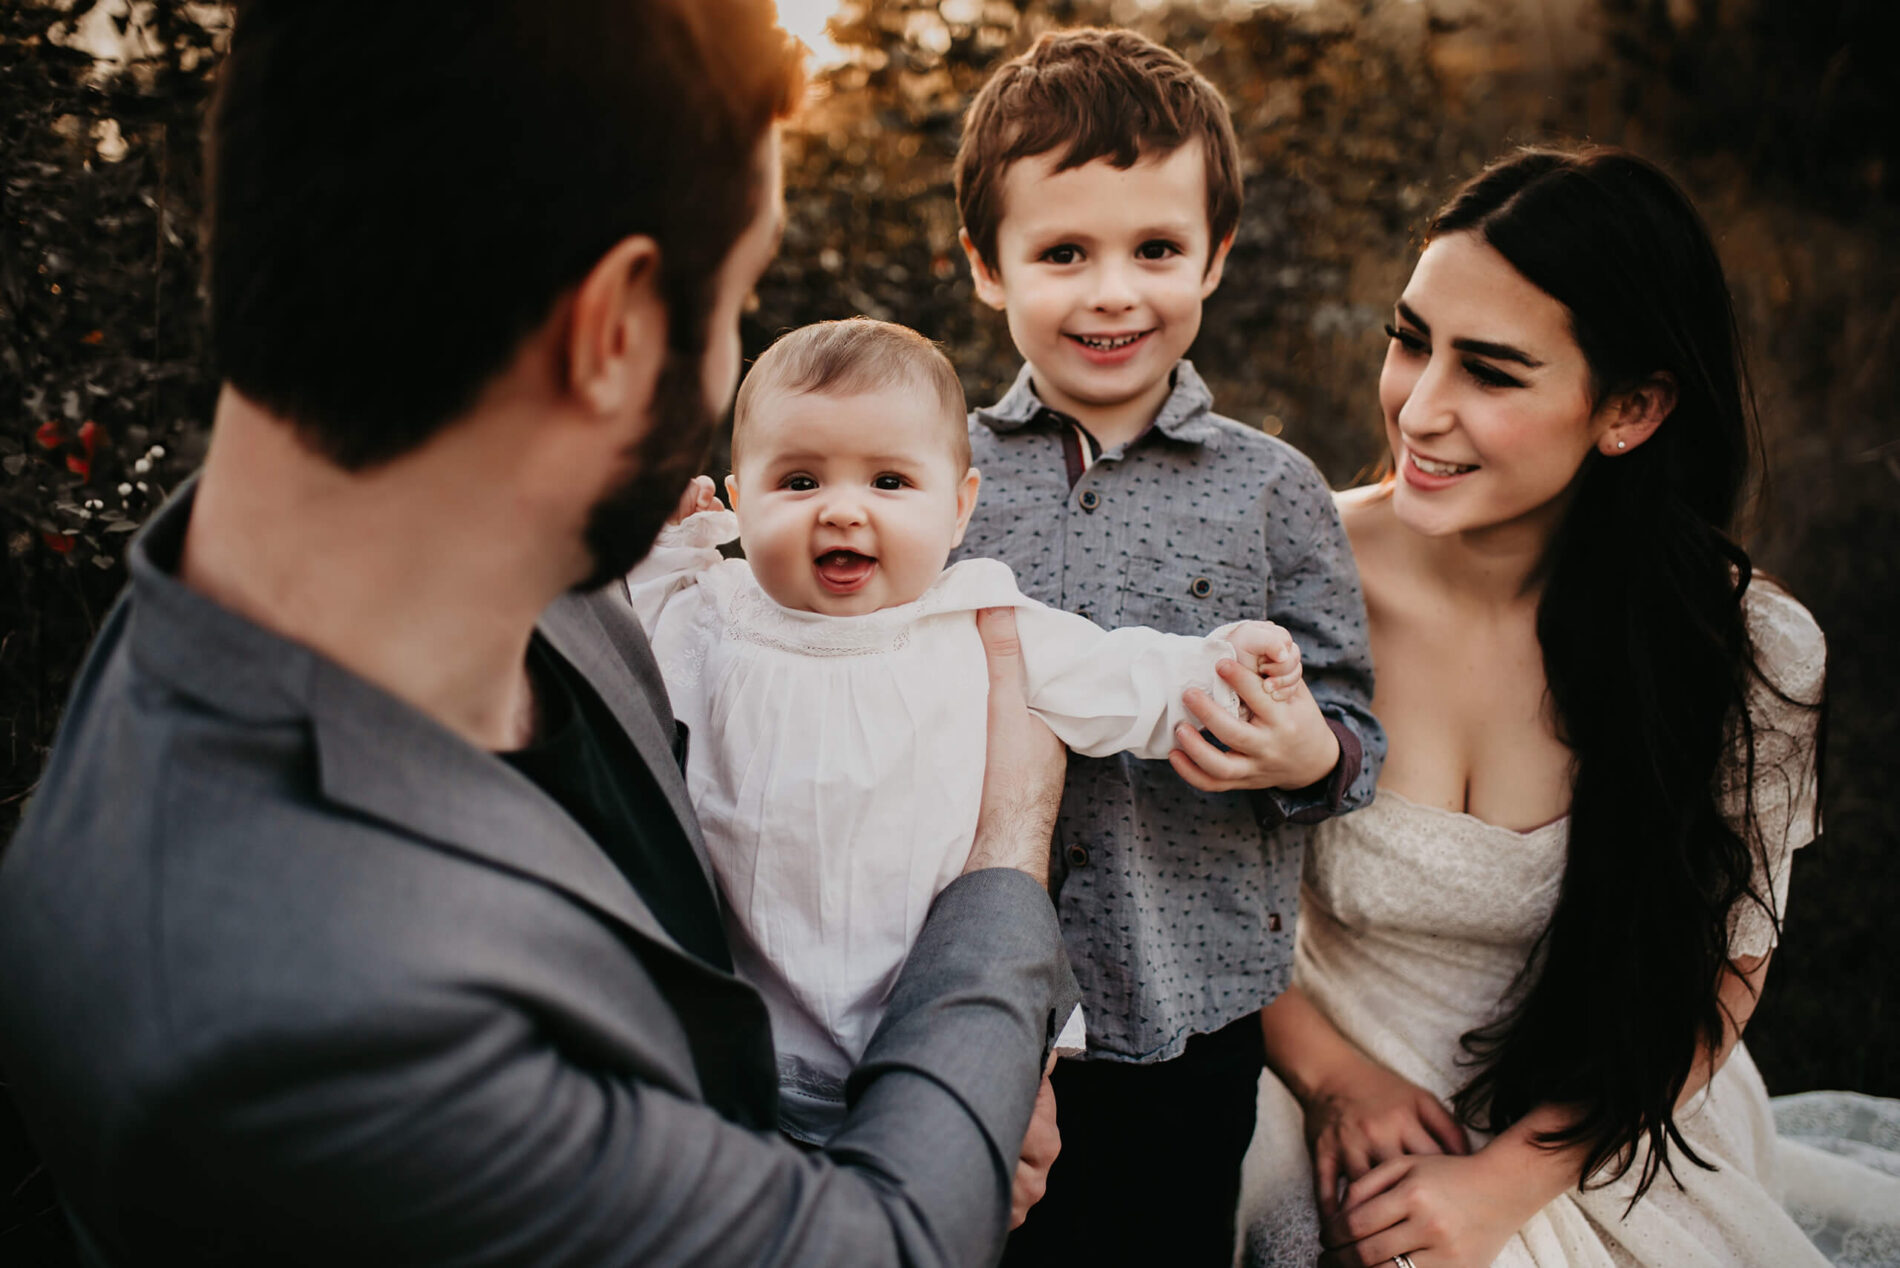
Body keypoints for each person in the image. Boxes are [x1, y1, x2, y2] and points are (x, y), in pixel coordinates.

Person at [0, 3, 1090, 1264]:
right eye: (738, 298)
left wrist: (955, 1086)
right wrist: (1004, 875)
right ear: (615, 330)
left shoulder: (525, 564)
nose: (728, 349)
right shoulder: (294, 1019)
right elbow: (887, 1244)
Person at [1232, 146, 1900, 1267]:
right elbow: (1172, 891)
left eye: (1490, 372)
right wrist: (1333, 1076)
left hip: (1596, 1107)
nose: (1421, 407)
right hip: (1313, 1063)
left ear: (1629, 409)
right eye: (1410, 340)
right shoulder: (1286, 575)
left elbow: (1717, 973)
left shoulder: (1747, 651)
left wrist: (1506, 1182)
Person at [629, 317, 1309, 1144]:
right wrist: (660, 541)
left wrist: (1218, 668)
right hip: (743, 1038)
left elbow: (1115, 675)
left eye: (888, 482)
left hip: (929, 1025)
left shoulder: (978, 618)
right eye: (799, 482)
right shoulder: (716, 614)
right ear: (740, 499)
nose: (842, 511)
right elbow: (625, 634)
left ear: (959, 508)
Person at [949, 28, 1386, 1264]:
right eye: (1063, 252)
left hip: (1189, 1008)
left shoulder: (1271, 489)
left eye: (1155, 249)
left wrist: (1303, 748)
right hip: (980, 998)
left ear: (1215, 256)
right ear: (988, 266)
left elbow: (1354, 739)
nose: (1111, 291)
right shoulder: (942, 474)